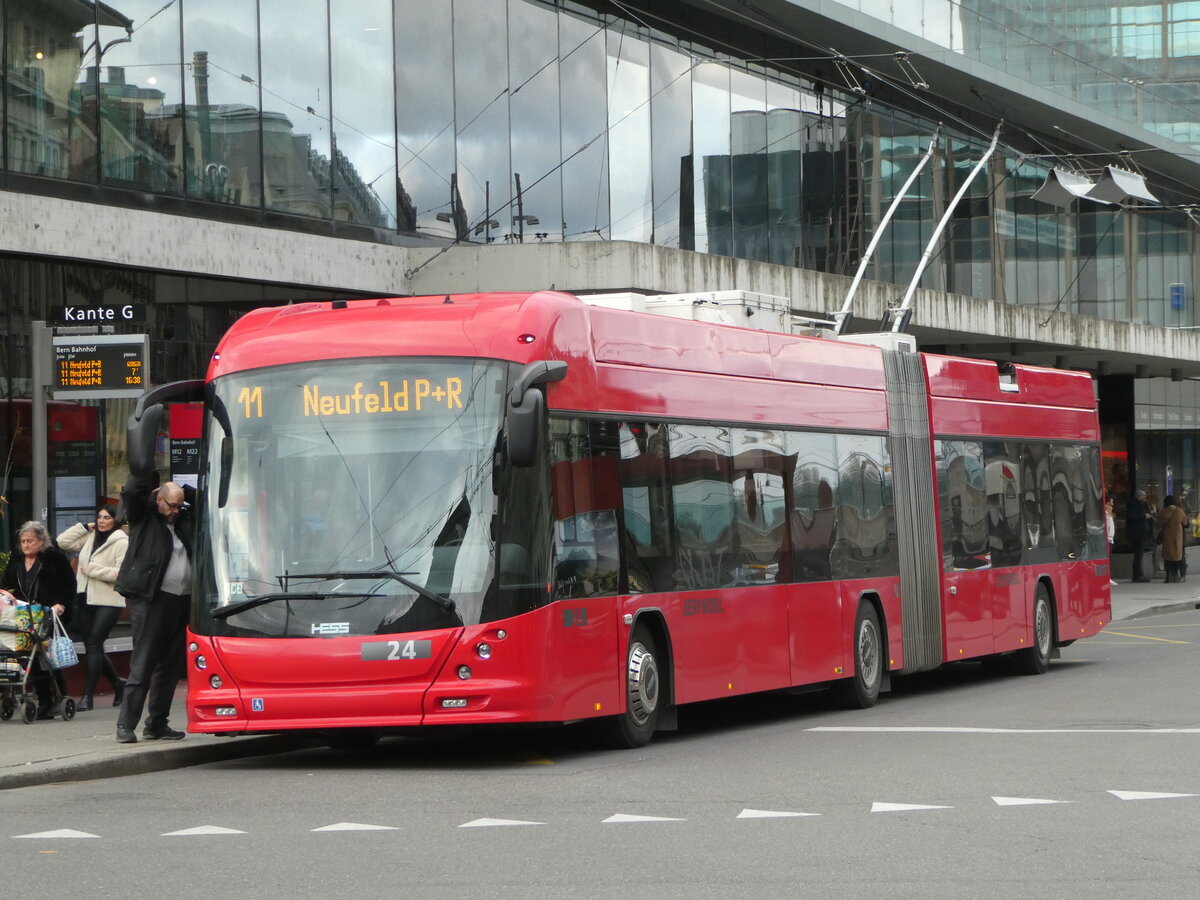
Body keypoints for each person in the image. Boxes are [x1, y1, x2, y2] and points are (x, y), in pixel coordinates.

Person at [113, 478, 195, 744]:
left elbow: (204, 500)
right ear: (158, 500)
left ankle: (157, 723)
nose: (176, 510)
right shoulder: (144, 519)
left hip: (180, 600)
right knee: (143, 663)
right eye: (172, 505)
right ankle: (126, 725)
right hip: (152, 601)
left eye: (180, 506)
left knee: (170, 667)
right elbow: (130, 494)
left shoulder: (181, 520)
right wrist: (144, 483)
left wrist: (184, 492)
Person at [0, 521, 77, 718]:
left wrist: (61, 604)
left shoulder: (54, 559)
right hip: (22, 615)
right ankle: (49, 696)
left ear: (41, 541)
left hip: (48, 614)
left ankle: (49, 699)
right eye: (23, 541)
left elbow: (68, 584)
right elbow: (6, 584)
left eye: (30, 541)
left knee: (42, 655)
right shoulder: (16, 559)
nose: (25, 545)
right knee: (25, 654)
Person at [57, 506, 129, 711]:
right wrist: (83, 527)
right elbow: (63, 542)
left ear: (115, 521)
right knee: (92, 646)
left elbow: (120, 573)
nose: (102, 521)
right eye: (99, 517)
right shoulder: (90, 536)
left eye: (107, 517)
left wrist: (93, 570)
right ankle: (117, 683)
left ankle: (88, 697)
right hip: (85, 597)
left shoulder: (122, 541)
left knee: (95, 644)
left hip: (109, 600)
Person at [1158, 496, 1188, 584]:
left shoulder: (1163, 511)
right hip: (1178, 537)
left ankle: (1168, 576)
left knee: (1167, 557)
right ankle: (1175, 576)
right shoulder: (1180, 511)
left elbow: (1159, 523)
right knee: (1177, 557)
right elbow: (1185, 523)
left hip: (1167, 537)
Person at [1125, 489, 1154, 583]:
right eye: (1143, 496)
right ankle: (1137, 575)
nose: (1144, 498)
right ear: (1139, 496)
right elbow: (1132, 517)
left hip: (1141, 532)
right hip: (1137, 533)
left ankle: (1138, 575)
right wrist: (1144, 516)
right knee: (1138, 555)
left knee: (1139, 555)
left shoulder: (1141, 505)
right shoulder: (1133, 505)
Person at [1105, 498, 1117, 587]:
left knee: (1109, 558)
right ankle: (1107, 577)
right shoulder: (1106, 514)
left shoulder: (1109, 514)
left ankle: (1108, 577)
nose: (1112, 505)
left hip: (1110, 538)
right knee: (1107, 558)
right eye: (1111, 502)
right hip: (1107, 538)